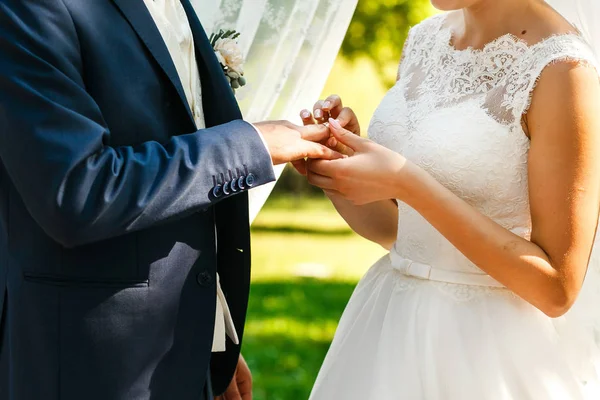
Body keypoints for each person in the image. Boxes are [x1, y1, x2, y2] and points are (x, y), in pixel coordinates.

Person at [0, 0, 342, 399]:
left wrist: (207, 336)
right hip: (90, 365)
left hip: (179, 350)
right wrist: (251, 145)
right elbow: (77, 191)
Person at [301, 0, 600, 398]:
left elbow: (557, 289)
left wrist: (407, 182)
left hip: (485, 355)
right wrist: (337, 167)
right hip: (388, 326)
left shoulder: (564, 71)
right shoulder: (426, 39)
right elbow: (399, 232)